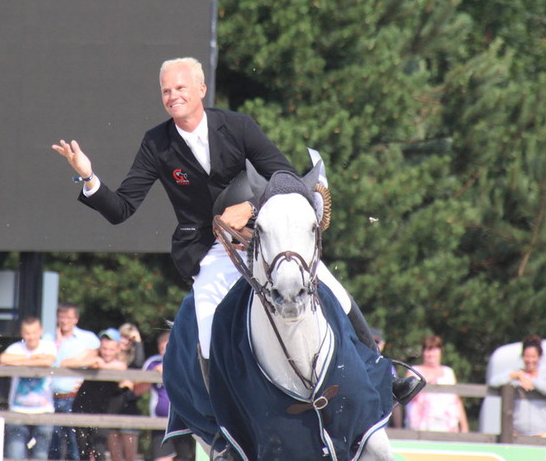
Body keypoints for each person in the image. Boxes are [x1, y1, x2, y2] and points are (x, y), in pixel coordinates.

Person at [52, 56, 421, 404]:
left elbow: (287, 177)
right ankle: (221, 416)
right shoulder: (156, 142)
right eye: (165, 91)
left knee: (333, 289)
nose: (172, 96)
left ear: (200, 89)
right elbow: (121, 209)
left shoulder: (238, 125)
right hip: (209, 247)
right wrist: (88, 176)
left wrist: (252, 206)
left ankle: (384, 378)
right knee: (210, 323)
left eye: (180, 88)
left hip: (263, 236)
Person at [43, 302, 101, 460]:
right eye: (62, 317)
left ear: (76, 319)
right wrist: (58, 345)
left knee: (75, 444)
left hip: (75, 397)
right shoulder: (48, 338)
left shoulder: (87, 338)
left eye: (68, 317)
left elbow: (96, 359)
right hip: (50, 397)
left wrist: (74, 362)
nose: (65, 321)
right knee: (53, 444)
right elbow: (47, 361)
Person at [63, 328, 128, 461]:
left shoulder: (120, 362)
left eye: (111, 349)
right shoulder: (92, 356)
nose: (107, 353)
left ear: (118, 349)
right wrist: (88, 363)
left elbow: (120, 368)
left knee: (99, 448)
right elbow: (65, 363)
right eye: (104, 348)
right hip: (82, 407)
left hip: (103, 411)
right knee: (82, 449)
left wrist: (100, 365)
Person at [0, 316, 58, 460]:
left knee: (41, 455)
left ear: (41, 332)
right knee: (15, 454)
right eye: (27, 333)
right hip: (18, 409)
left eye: (34, 332)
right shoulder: (15, 347)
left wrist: (20, 361)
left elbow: (48, 361)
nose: (31, 337)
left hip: (44, 410)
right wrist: (33, 359)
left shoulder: (48, 346)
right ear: (22, 333)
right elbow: (3, 359)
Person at [137, 330, 194, 461]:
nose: (164, 351)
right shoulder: (153, 362)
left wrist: (170, 370)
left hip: (183, 421)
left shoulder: (185, 360)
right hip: (160, 422)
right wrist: (153, 374)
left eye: (167, 347)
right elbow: (138, 390)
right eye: (161, 348)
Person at [490, 334, 546, 438]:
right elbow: (493, 382)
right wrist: (514, 375)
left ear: (539, 357)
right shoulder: (516, 375)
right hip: (517, 433)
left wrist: (532, 382)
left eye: (533, 357)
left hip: (542, 432)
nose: (530, 360)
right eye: (527, 356)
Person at [404, 335, 469, 433]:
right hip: (419, 429)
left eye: (434, 349)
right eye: (428, 350)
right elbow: (404, 393)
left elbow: (456, 400)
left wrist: (464, 426)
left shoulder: (449, 372)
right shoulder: (413, 371)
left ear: (440, 351)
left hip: (447, 429)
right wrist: (428, 379)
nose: (430, 354)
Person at [106, 323, 146, 461]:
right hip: (111, 407)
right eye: (123, 337)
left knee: (130, 456)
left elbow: (139, 364)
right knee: (114, 456)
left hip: (129, 407)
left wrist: (138, 341)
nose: (126, 341)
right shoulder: (110, 356)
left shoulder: (134, 360)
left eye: (130, 339)